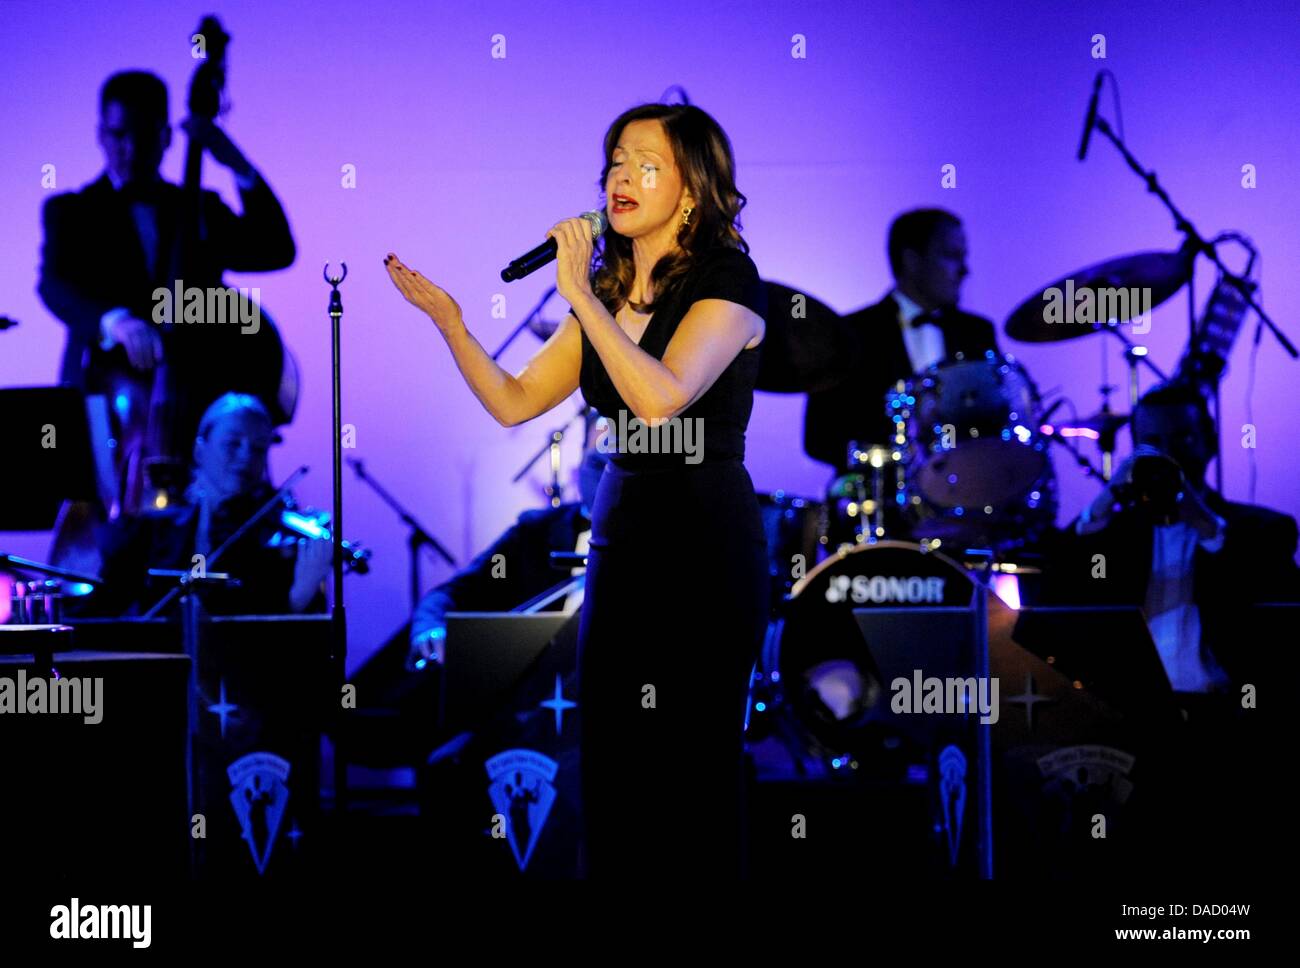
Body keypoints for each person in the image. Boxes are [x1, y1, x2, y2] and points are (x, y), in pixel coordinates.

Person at [386, 102, 769, 878]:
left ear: (691, 188)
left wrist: (584, 298)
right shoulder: (611, 286)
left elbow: (662, 399)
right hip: (624, 536)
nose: (619, 177)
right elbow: (514, 400)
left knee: (692, 765)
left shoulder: (729, 279)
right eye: (614, 162)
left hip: (702, 538)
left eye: (643, 163)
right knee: (615, 756)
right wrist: (453, 325)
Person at [37, 70, 297, 484]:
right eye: (119, 135)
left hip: (198, 401)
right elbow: (54, 285)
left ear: (167, 136)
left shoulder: (200, 207)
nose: (131, 148)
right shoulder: (70, 211)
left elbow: (276, 248)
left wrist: (233, 161)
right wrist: (113, 320)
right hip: (108, 400)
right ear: (100, 134)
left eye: (143, 134)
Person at [1043, 380, 1299, 691]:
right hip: (1132, 715)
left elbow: (1270, 600)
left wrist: (1203, 521)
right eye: (1153, 443)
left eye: (1183, 439)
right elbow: (1055, 581)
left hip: (1229, 713)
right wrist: (1106, 499)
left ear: (1210, 443)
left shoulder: (1264, 530)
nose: (1169, 454)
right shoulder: (1111, 535)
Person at [81, 393, 331, 617]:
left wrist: (298, 599)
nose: (246, 456)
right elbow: (100, 611)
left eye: (258, 449)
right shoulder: (152, 531)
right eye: (233, 443)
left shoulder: (276, 542)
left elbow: (296, 650)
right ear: (200, 449)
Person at [803, 208, 999, 470]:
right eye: (951, 256)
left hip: (966, 499)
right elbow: (820, 438)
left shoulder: (977, 332)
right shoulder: (849, 333)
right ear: (912, 260)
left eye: (963, 257)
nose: (965, 270)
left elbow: (996, 423)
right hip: (883, 503)